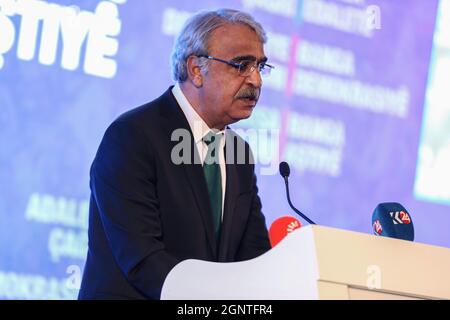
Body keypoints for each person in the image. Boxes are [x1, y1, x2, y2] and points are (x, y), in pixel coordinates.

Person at [78, 8, 273, 300]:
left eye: (260, 66)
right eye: (241, 65)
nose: (255, 81)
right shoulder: (133, 136)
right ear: (196, 69)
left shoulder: (238, 153)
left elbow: (252, 257)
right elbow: (143, 259)